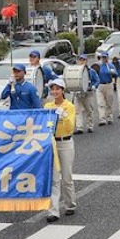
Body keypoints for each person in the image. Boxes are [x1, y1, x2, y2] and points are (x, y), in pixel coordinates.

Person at [43, 78, 76, 222]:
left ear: (63, 90)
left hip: (66, 142)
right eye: (52, 89)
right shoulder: (47, 106)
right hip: (52, 143)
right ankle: (53, 211)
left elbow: (70, 126)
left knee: (66, 177)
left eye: (57, 89)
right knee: (54, 177)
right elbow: (43, 124)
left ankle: (70, 204)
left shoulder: (69, 106)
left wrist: (63, 114)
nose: (54, 92)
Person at [72, 55, 99, 134]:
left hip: (88, 93)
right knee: (77, 111)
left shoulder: (91, 71)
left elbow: (97, 80)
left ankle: (90, 126)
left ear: (86, 61)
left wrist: (94, 86)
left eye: (83, 60)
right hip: (78, 94)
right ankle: (79, 128)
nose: (81, 61)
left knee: (89, 110)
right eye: (80, 60)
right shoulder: (75, 70)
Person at [94, 51, 116, 125]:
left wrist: (112, 72)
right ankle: (102, 119)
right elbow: (93, 74)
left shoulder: (110, 65)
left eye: (105, 57)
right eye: (102, 57)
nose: (103, 58)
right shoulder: (98, 65)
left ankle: (109, 117)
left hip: (108, 84)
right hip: (100, 85)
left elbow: (116, 74)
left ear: (107, 58)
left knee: (109, 102)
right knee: (100, 103)